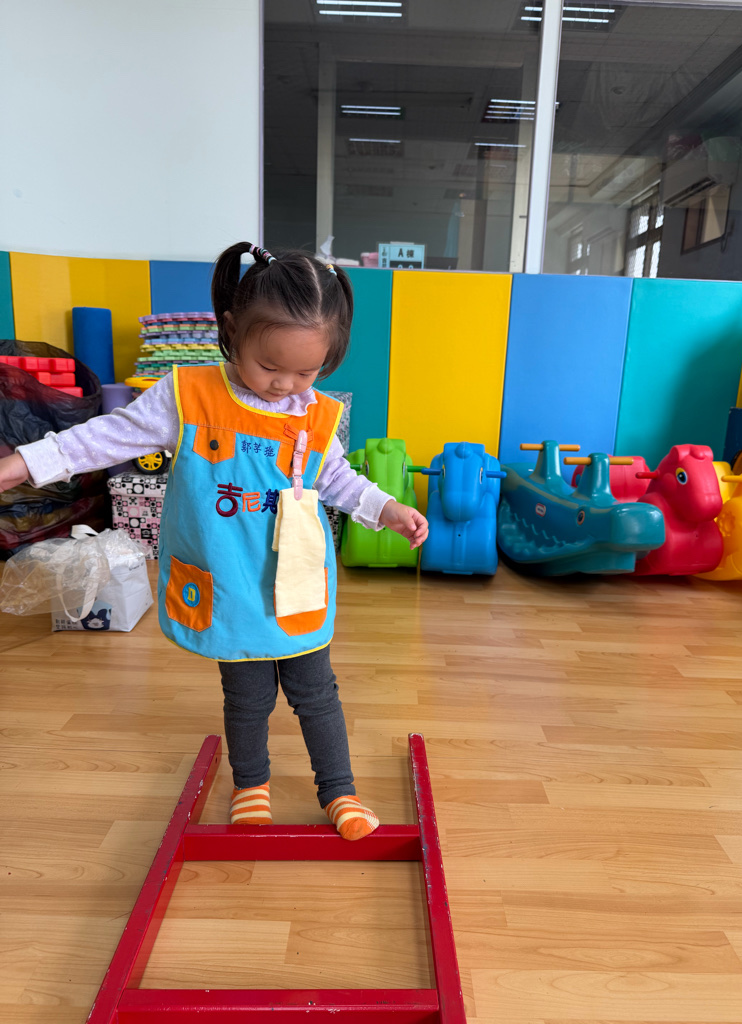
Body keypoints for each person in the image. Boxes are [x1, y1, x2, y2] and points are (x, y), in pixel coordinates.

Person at [0, 243, 428, 841]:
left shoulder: (314, 414)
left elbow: (337, 478)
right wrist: (24, 462)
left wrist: (387, 508)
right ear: (232, 332)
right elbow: (103, 437)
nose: (285, 386)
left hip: (295, 582)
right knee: (246, 695)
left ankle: (339, 790)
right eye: (270, 366)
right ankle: (250, 785)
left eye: (306, 373)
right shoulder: (187, 396)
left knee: (316, 693)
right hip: (227, 581)